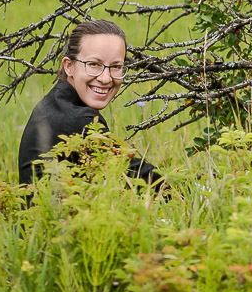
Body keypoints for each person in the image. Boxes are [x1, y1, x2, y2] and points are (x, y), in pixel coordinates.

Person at [17, 18, 165, 191]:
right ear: (69, 66)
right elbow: (139, 178)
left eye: (116, 67)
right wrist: (193, 187)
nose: (105, 78)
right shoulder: (77, 119)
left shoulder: (53, 104)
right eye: (94, 64)